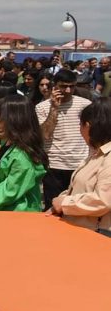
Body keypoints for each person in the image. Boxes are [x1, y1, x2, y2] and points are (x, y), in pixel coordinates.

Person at [48, 98, 111, 235]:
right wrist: (58, 203)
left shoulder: (108, 158)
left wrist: (64, 203)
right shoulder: (97, 154)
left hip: (98, 236)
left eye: (80, 125)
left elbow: (103, 200)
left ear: (87, 126)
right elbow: (79, 188)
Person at [36, 69, 93, 210]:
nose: (68, 90)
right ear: (55, 85)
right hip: (54, 165)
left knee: (78, 207)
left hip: (80, 164)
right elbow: (45, 135)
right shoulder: (42, 107)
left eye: (72, 86)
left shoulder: (85, 104)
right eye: (63, 86)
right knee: (53, 207)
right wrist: (54, 108)